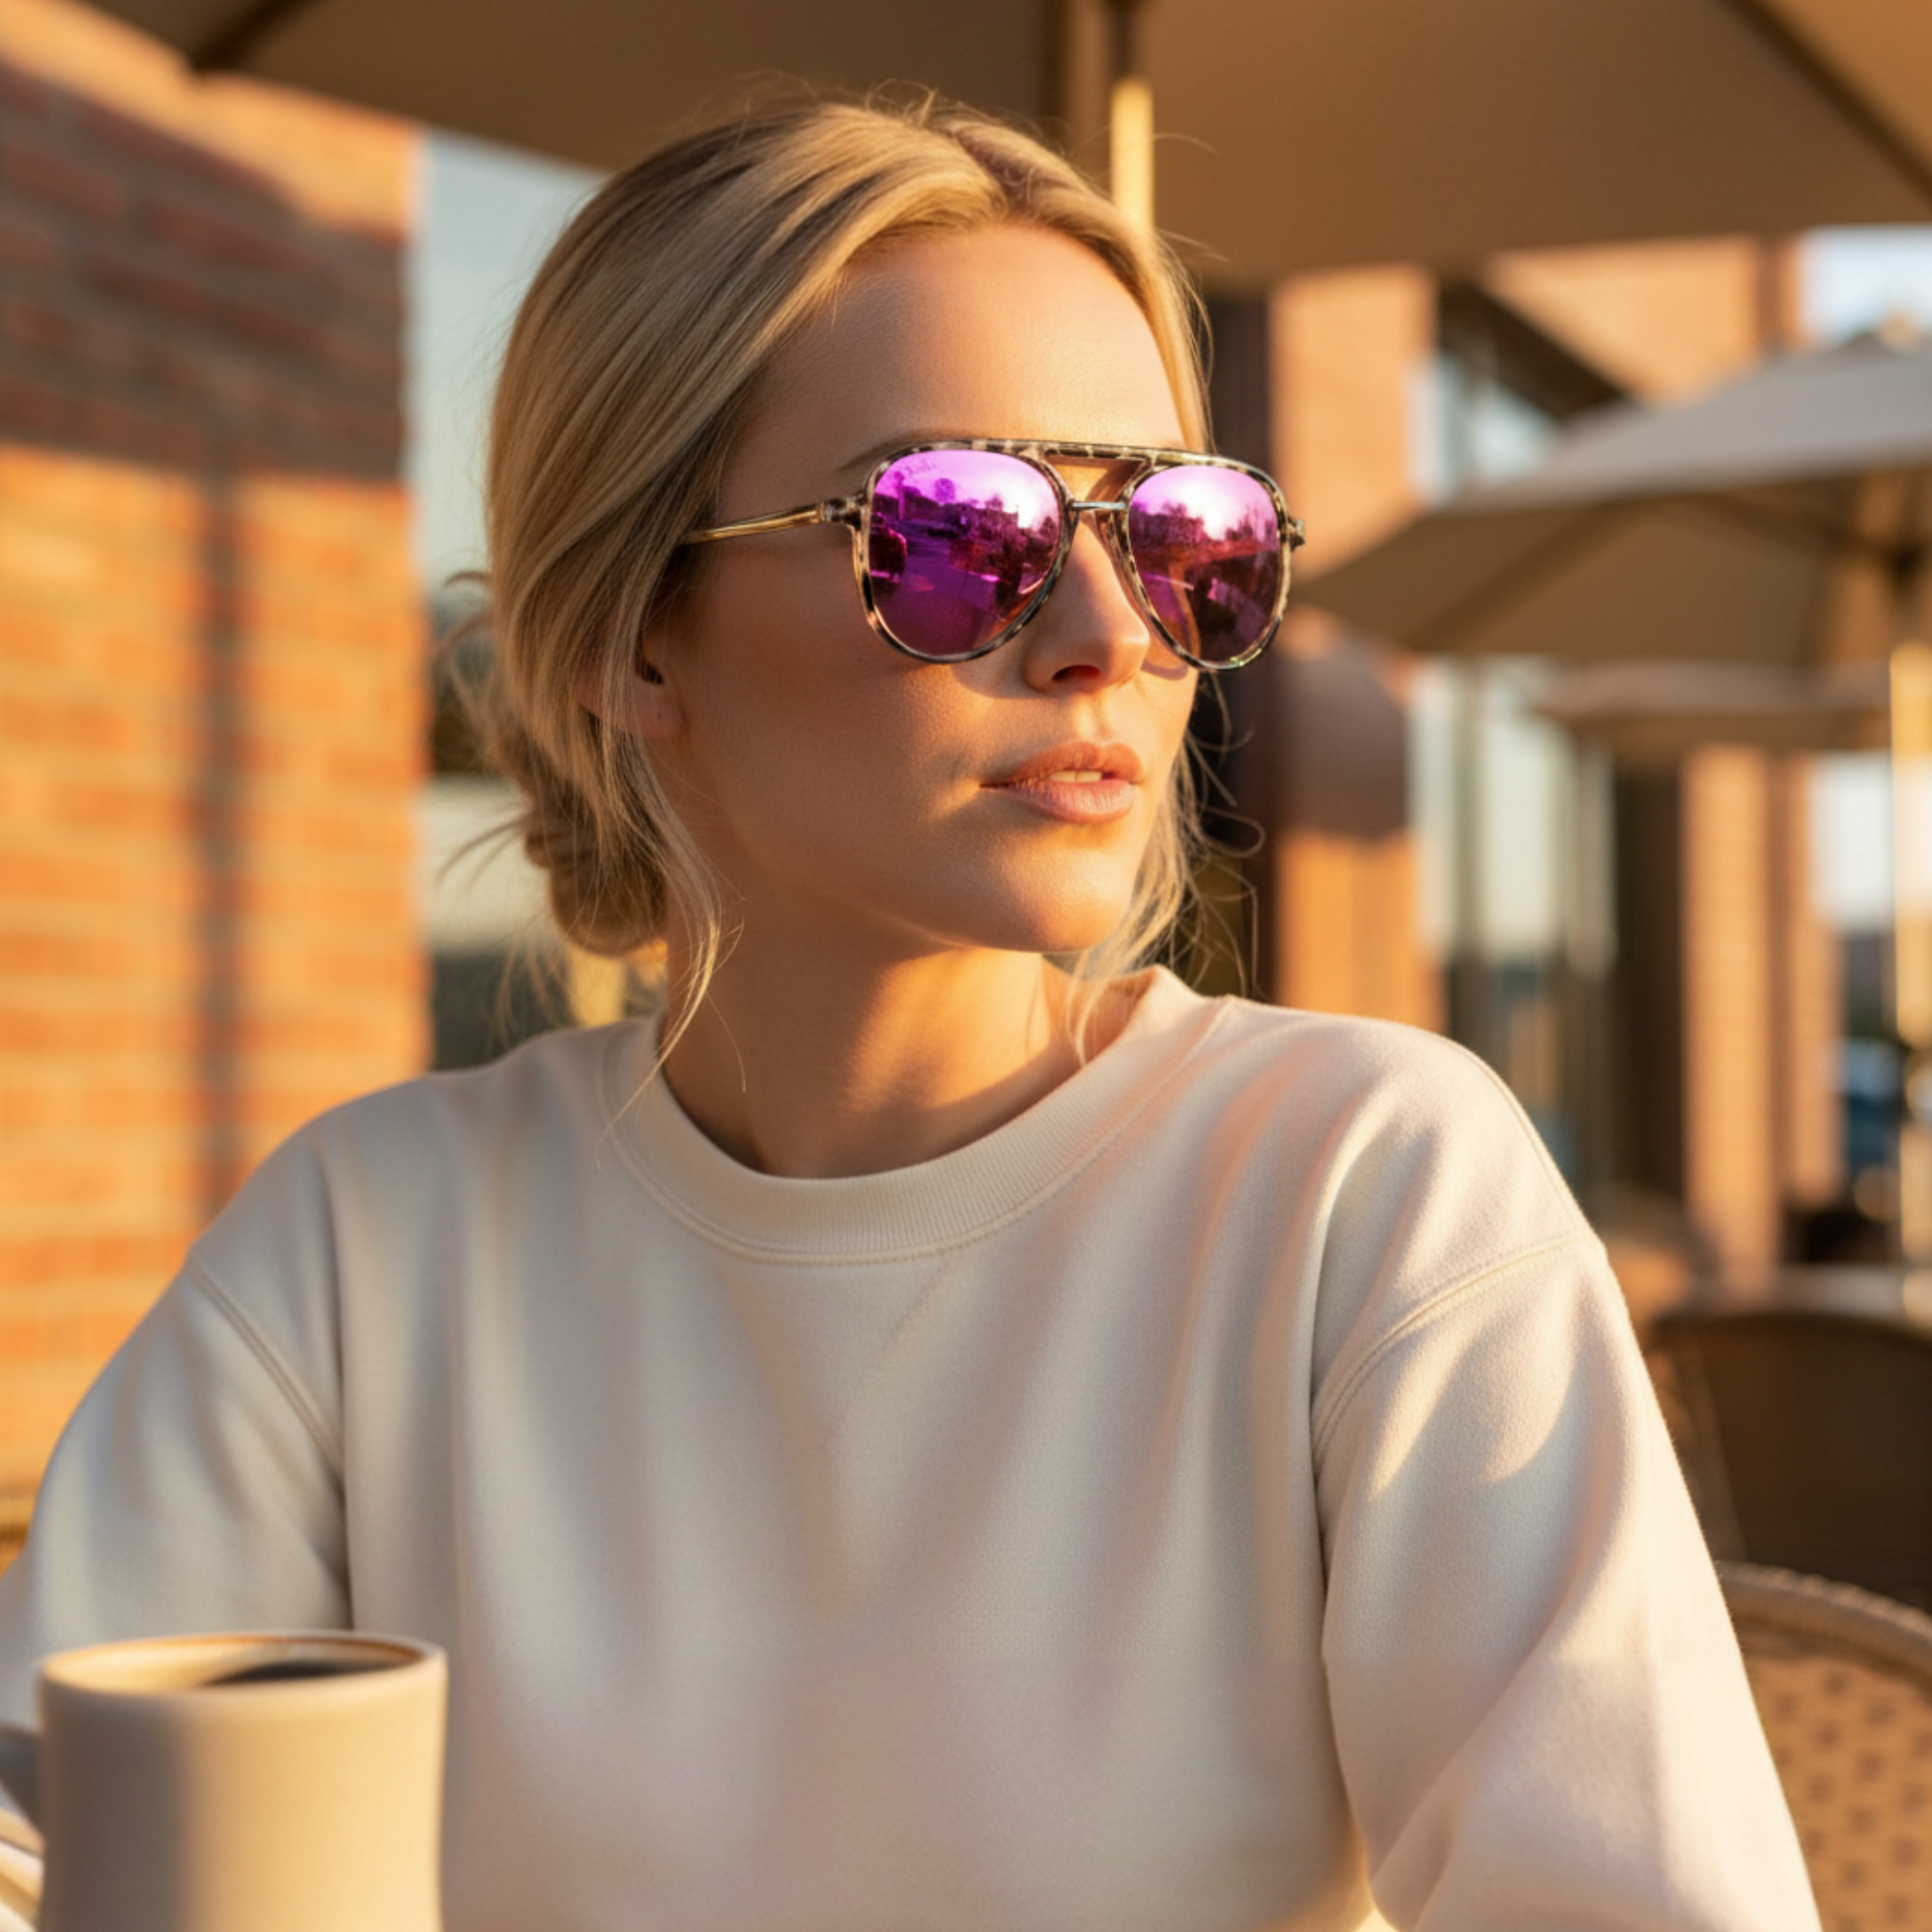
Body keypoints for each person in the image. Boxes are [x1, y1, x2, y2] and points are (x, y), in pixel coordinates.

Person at [0, 95, 1818, 1931]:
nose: (1112, 627)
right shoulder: (362, 1249)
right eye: (959, 529)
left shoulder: (1362, 1197)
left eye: (1184, 533)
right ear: (629, 637)